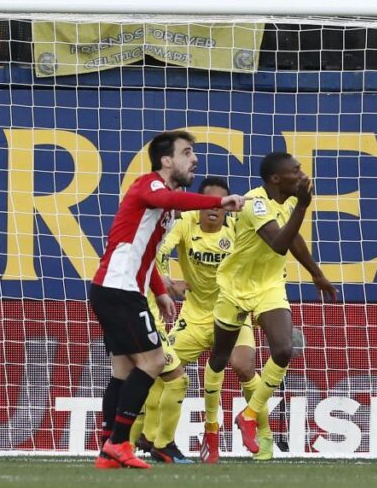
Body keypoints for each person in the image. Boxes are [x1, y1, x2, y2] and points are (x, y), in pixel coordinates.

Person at [90, 130, 248, 469]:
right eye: (187, 152)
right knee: (155, 362)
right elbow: (174, 203)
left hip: (115, 289)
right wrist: (219, 201)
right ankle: (119, 442)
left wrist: (160, 291)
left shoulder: (159, 202)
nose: (195, 159)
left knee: (123, 370)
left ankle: (108, 448)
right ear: (166, 161)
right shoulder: (149, 185)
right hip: (119, 291)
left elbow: (146, 250)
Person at [201, 151, 337, 462]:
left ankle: (249, 415)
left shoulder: (288, 200)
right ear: (276, 178)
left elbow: (293, 239)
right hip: (235, 287)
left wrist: (316, 273)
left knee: (284, 349)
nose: (303, 175)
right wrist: (303, 206)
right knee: (220, 358)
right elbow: (278, 242)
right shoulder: (253, 202)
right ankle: (211, 428)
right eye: (296, 170)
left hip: (270, 286)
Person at [132, 176, 274, 463]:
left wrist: (258, 306)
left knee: (243, 366)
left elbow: (263, 264)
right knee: (160, 367)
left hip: (233, 311)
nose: (214, 210)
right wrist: (165, 281)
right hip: (195, 317)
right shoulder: (185, 224)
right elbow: (158, 251)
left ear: (227, 208)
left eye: (220, 204)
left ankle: (265, 435)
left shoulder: (238, 229)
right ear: (199, 205)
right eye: (209, 202)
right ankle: (147, 436)